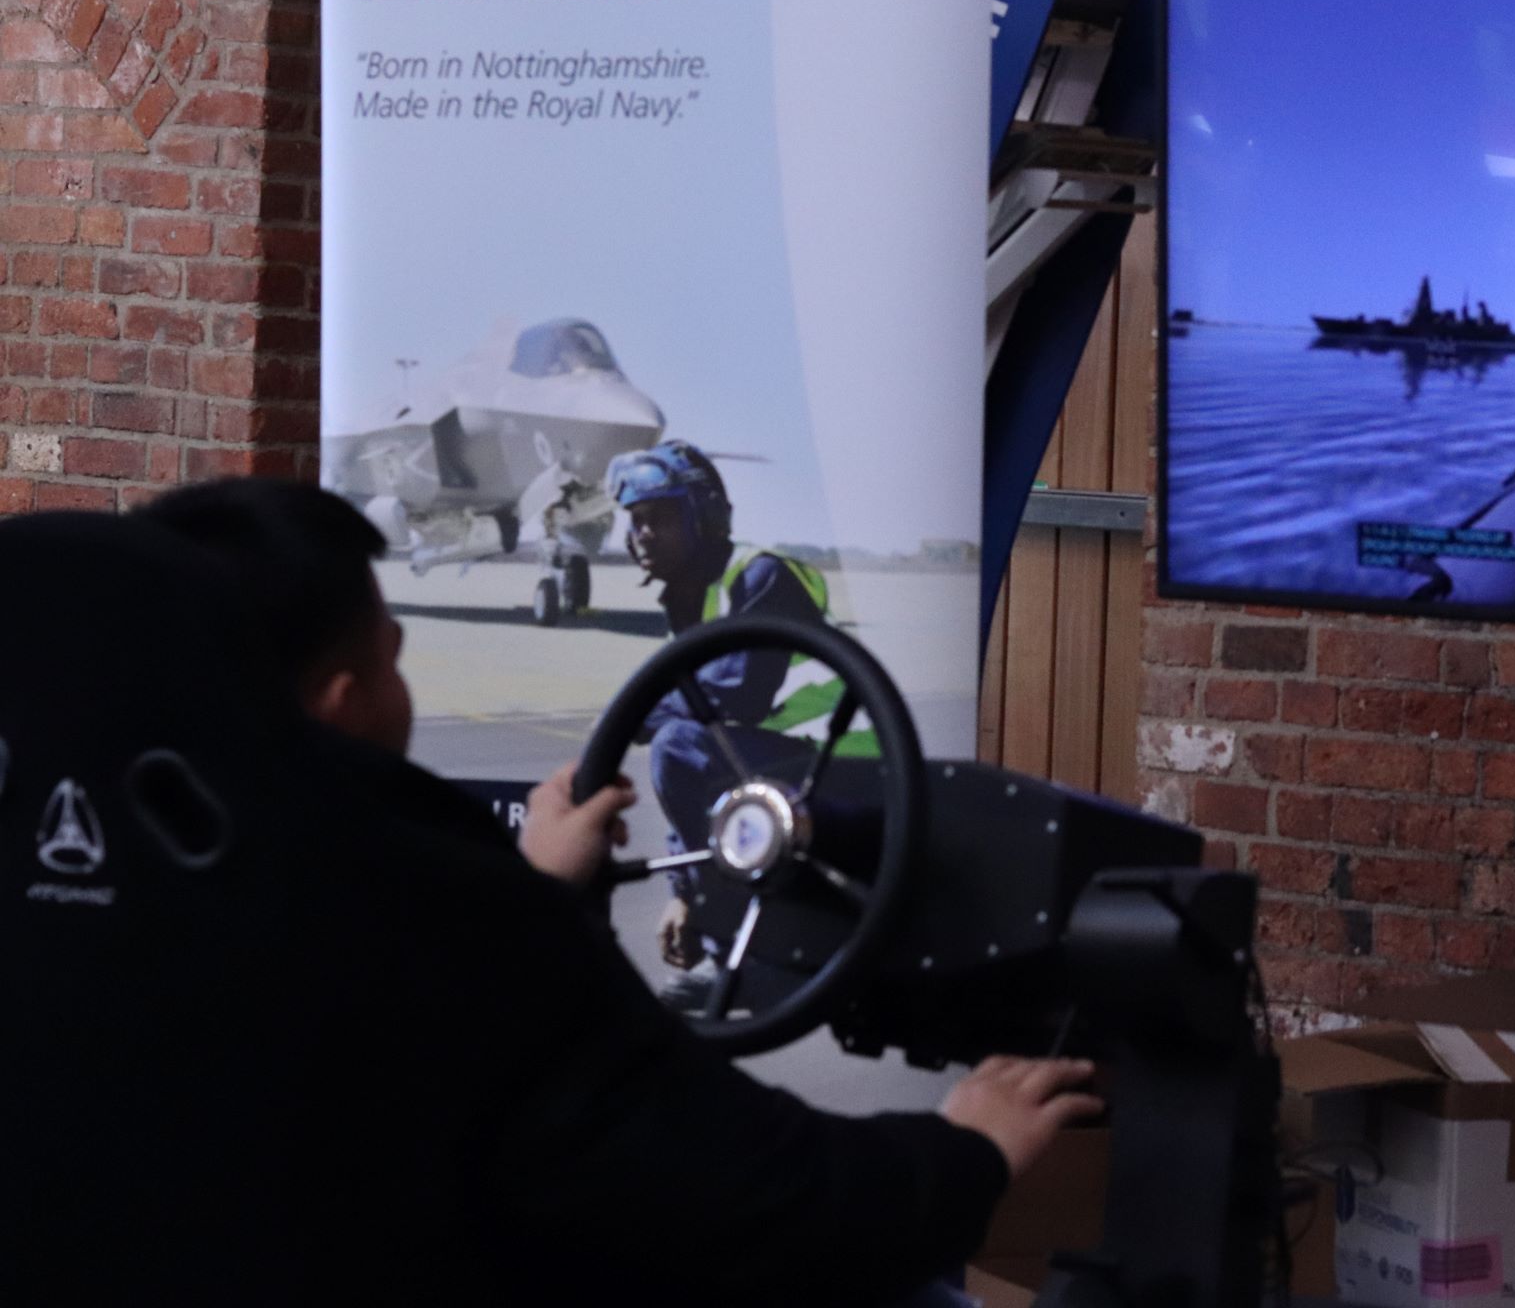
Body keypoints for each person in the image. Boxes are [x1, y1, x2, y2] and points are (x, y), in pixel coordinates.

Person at [1, 508, 1098, 1304]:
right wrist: (966, 1150)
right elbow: (758, 1202)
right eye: (390, 658)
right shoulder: (451, 930)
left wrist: (535, 890)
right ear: (344, 705)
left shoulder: (70, 894)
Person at [142, 476, 633, 887]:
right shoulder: (404, 913)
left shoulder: (116, 879)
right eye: (392, 653)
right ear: (343, 707)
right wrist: (548, 888)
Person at [603, 440, 852, 970]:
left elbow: (731, 695)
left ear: (704, 517)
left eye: (661, 517)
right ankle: (730, 935)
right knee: (683, 746)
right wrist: (681, 891)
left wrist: (630, 717)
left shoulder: (758, 577)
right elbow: (703, 755)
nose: (643, 532)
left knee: (676, 742)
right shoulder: (692, 604)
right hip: (783, 761)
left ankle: (734, 928)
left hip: (843, 766)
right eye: (636, 519)